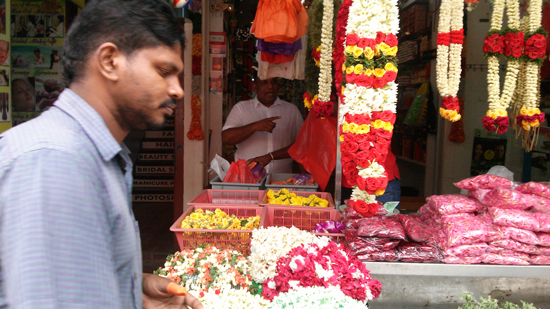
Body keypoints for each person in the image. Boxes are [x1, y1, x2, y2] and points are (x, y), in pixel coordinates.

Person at [0, 0, 203, 308]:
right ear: (109, 61)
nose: (177, 90)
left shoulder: (97, 155)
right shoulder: (57, 162)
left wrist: (129, 290)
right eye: (163, 71)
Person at [222, 73, 304, 173]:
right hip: (247, 178)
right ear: (255, 86)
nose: (270, 86)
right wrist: (255, 126)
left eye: (273, 82)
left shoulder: (291, 110)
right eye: (264, 83)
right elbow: (226, 138)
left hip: (280, 180)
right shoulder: (241, 108)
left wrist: (271, 157)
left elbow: (302, 146)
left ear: (278, 85)